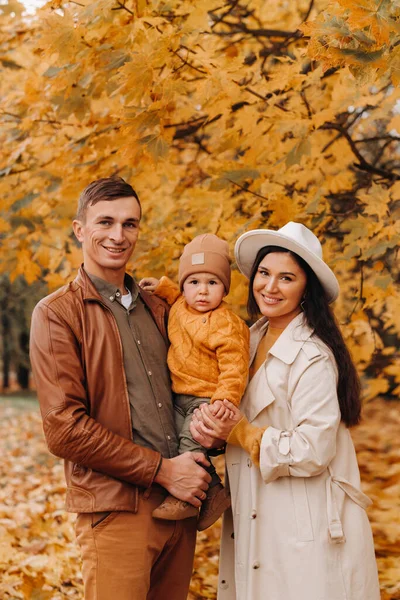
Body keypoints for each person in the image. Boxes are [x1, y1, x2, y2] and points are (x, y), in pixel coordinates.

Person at [29, 176, 211, 600]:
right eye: (105, 222)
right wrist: (162, 470)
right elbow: (63, 428)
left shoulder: (159, 306)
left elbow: (197, 377)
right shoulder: (57, 314)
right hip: (116, 511)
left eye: (130, 224)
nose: (118, 235)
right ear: (79, 229)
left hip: (179, 506)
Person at [190, 221, 380, 600]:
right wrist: (213, 430)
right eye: (264, 273)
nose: (270, 287)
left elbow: (314, 449)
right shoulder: (249, 337)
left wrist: (241, 433)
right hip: (257, 509)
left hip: (304, 522)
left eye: (286, 278)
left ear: (305, 288)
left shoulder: (313, 356)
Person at [139, 234, 249, 530]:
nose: (202, 292)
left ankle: (189, 499)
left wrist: (224, 400)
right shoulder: (179, 307)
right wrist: (162, 287)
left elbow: (234, 367)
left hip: (206, 398)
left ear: (224, 288)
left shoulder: (226, 323)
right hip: (179, 396)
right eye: (194, 283)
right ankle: (213, 490)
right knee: (168, 440)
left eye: (212, 283)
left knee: (190, 445)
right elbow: (175, 295)